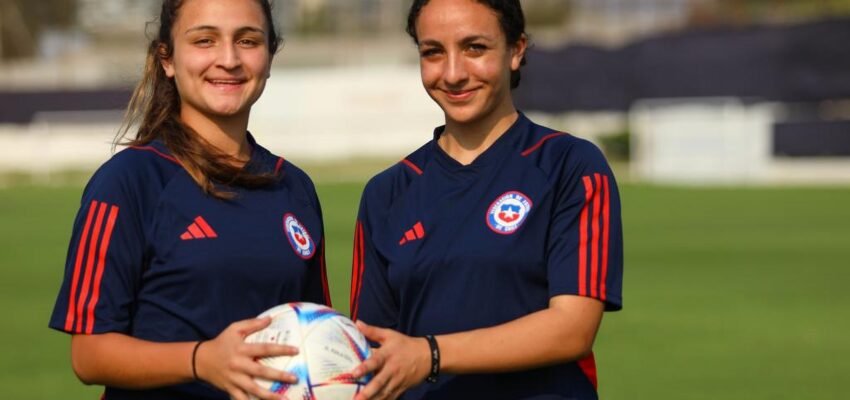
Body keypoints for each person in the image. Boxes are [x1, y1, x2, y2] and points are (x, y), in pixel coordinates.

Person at [47, 0, 331, 399]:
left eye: (247, 40)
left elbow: (313, 335)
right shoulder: (126, 183)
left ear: (270, 54)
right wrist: (203, 361)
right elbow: (89, 355)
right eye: (205, 40)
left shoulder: (293, 186)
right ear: (167, 58)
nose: (228, 59)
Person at [348, 0, 624, 399]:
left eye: (475, 48)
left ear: (516, 50)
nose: (454, 73)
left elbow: (572, 329)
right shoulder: (386, 192)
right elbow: (373, 348)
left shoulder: (570, 165)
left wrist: (431, 354)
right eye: (433, 52)